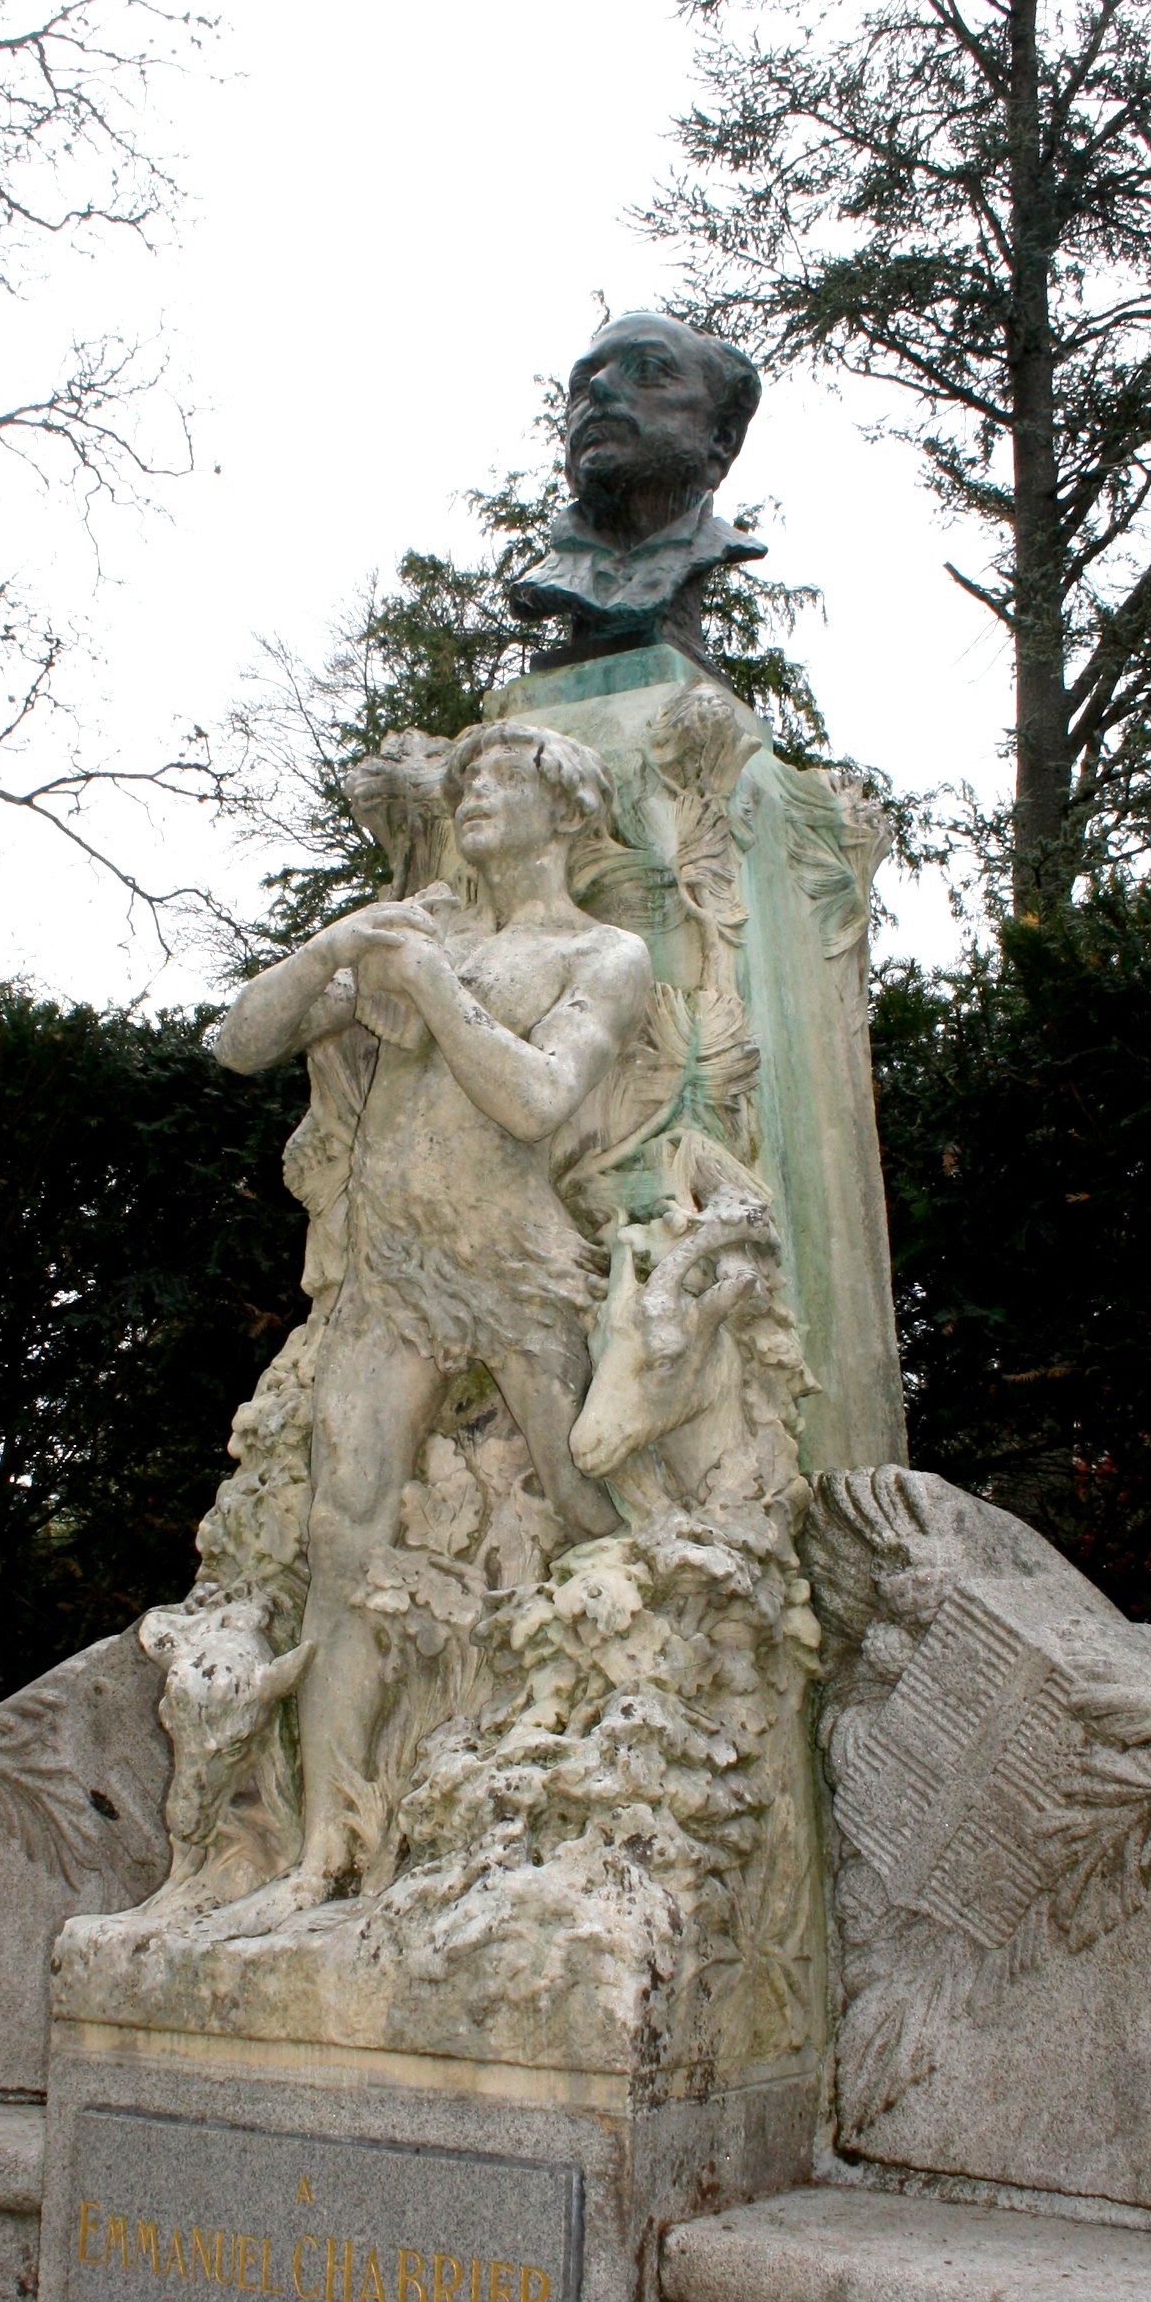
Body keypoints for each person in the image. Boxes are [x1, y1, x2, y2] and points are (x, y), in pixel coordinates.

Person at [210, 720, 662, 1904]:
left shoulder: (605, 954)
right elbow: (237, 1042)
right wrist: (333, 952)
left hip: (514, 1258)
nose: (472, 794)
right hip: (395, 1269)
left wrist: (428, 993)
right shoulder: (421, 929)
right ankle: (323, 1849)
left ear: (566, 807)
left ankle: (621, 1784)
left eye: (503, 776)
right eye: (460, 779)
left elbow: (539, 1101)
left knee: (585, 1495)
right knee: (338, 1536)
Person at [510, 312, 767, 672]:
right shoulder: (543, 580)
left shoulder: (714, 548)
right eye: (582, 383)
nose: (597, 386)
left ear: (721, 438)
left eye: (646, 369)